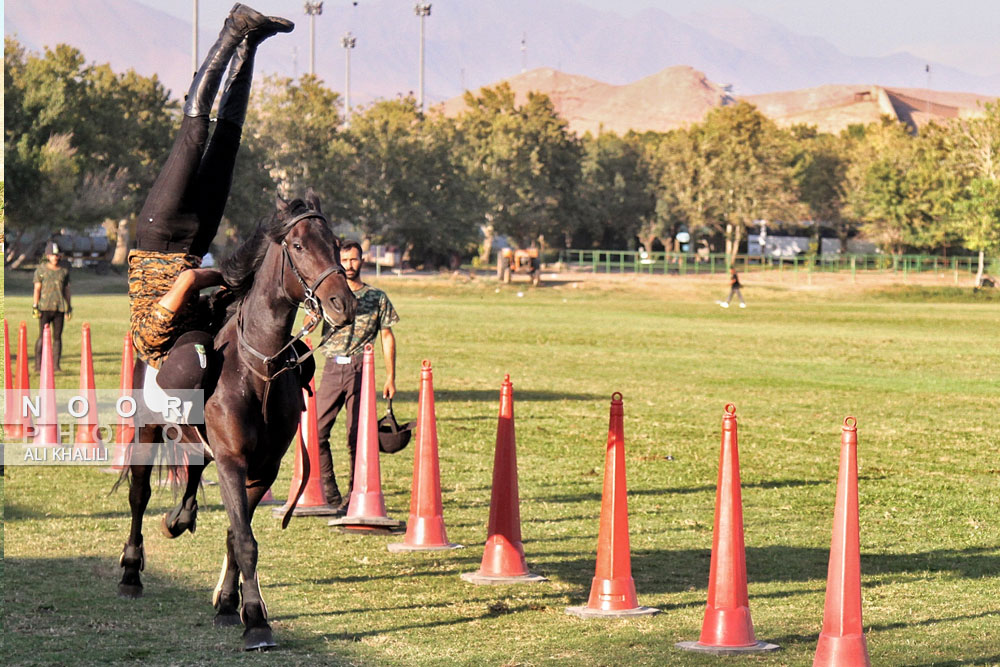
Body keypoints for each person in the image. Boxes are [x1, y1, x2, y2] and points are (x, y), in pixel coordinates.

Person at [128, 5, 293, 376]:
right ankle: (252, 44)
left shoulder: (151, 341)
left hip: (161, 233)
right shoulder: (199, 335)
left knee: (195, 133)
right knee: (227, 140)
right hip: (196, 241)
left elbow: (188, 280)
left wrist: (227, 276)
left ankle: (234, 29)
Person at [316, 241, 399, 510]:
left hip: (361, 369)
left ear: (362, 261)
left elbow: (387, 336)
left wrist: (390, 377)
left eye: (354, 260)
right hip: (331, 368)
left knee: (357, 436)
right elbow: (310, 321)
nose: (349, 265)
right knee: (317, 430)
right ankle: (331, 492)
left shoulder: (377, 298)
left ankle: (355, 496)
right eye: (345, 260)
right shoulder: (327, 294)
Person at [33, 241, 72, 371]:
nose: (55, 257)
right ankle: (38, 365)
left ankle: (56, 365)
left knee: (57, 338)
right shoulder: (41, 270)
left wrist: (69, 307)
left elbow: (66, 289)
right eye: (52, 255)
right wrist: (35, 306)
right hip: (44, 307)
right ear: (47, 256)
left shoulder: (64, 272)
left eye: (57, 255)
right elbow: (37, 289)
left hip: (59, 308)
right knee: (42, 336)